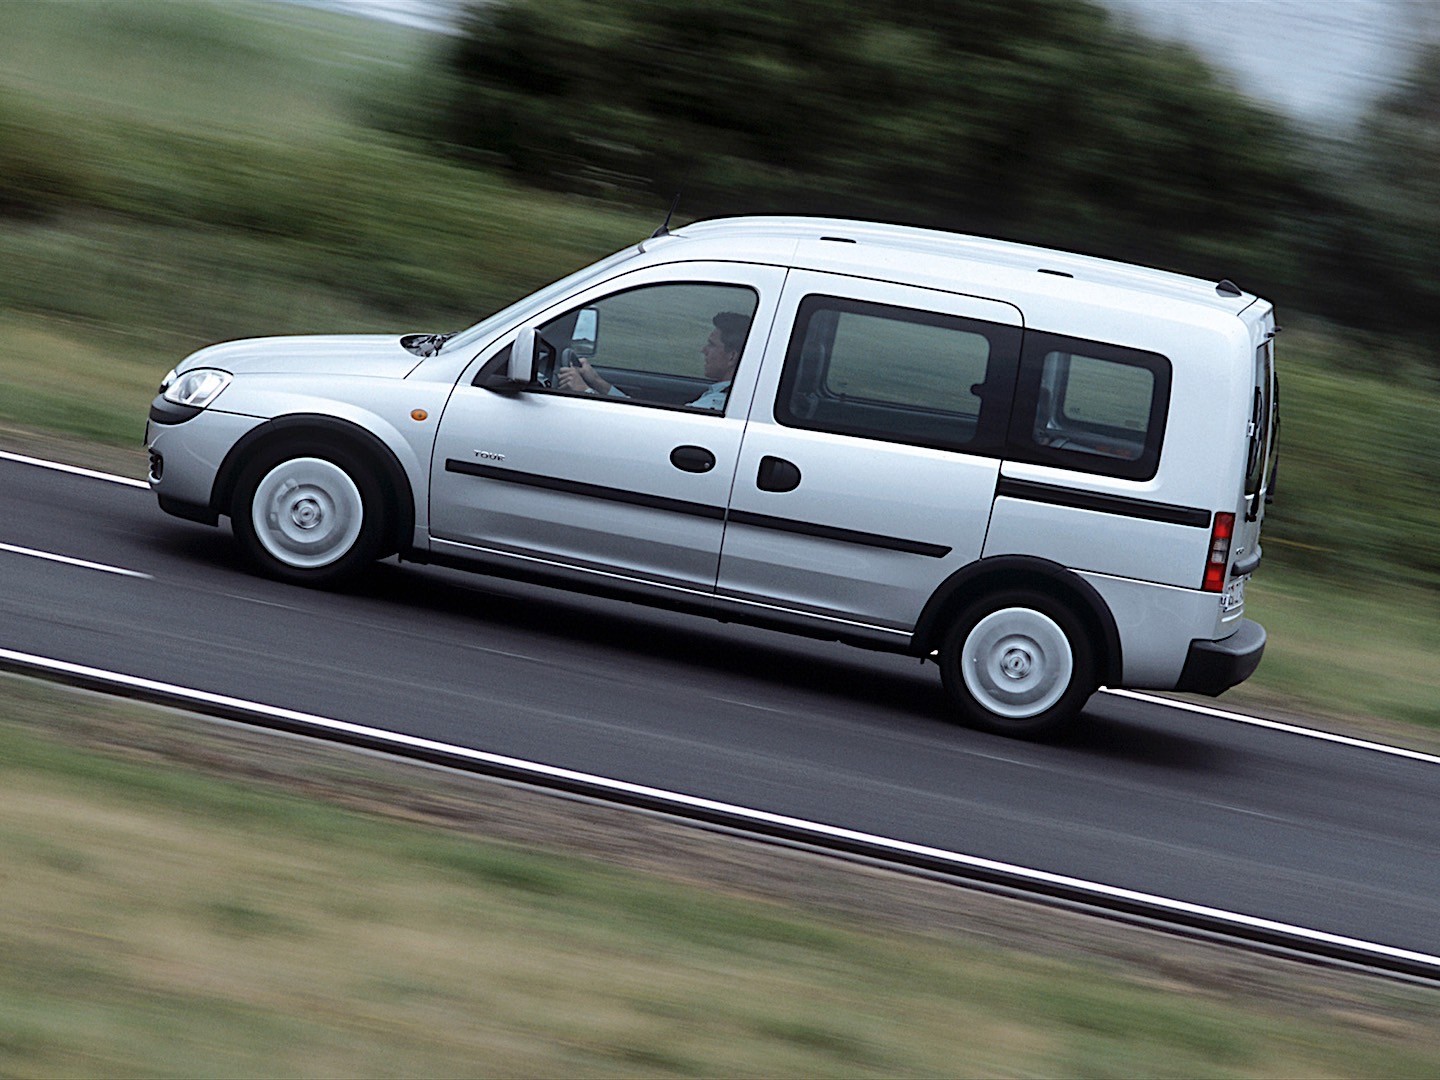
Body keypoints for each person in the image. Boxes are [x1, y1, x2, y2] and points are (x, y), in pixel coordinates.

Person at [556, 311, 751, 411]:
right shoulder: (724, 396)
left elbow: (646, 429)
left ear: (731, 356)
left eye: (712, 345)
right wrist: (597, 382)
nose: (704, 350)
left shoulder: (716, 404)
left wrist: (584, 391)